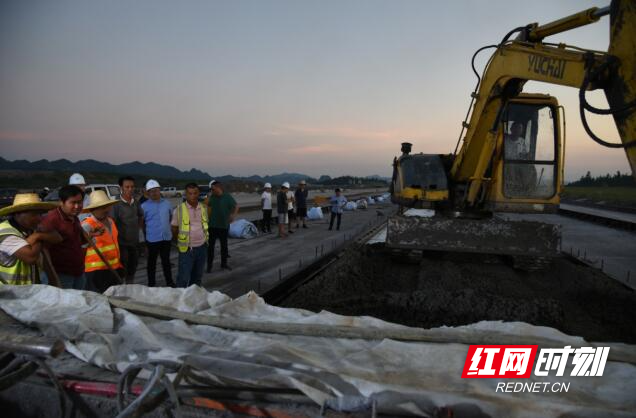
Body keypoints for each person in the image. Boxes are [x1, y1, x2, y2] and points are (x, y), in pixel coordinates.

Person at [0, 194, 61, 285]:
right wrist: (39, 236)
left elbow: (58, 237)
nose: (39, 219)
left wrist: (37, 235)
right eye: (34, 214)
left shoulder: (29, 228)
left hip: (27, 291)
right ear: (17, 214)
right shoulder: (6, 232)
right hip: (10, 293)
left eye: (40, 214)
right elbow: (31, 257)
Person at [40, 185, 88, 289]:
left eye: (79, 202)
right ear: (61, 202)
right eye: (73, 203)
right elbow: (44, 251)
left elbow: (75, 241)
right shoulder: (51, 220)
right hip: (61, 275)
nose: (77, 206)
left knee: (79, 302)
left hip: (78, 272)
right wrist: (52, 278)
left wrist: (90, 234)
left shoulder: (74, 217)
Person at [81, 190, 123, 293]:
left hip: (113, 268)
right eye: (102, 207)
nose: (107, 210)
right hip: (96, 272)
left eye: (107, 206)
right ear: (93, 210)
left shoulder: (111, 221)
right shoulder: (87, 225)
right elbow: (80, 248)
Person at [172, 183, 208, 287]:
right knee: (183, 278)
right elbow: (174, 229)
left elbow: (204, 225)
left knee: (197, 277)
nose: (192, 196)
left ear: (198, 194)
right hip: (186, 249)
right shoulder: (178, 210)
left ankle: (193, 299)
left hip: (202, 247)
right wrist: (180, 242)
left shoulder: (203, 208)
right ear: (185, 194)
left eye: (195, 193)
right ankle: (180, 300)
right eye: (190, 193)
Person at [141, 179, 175, 287]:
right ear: (148, 193)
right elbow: (142, 224)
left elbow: (170, 218)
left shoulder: (167, 203)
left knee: (166, 262)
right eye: (151, 191)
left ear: (159, 190)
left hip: (166, 238)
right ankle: (151, 284)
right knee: (152, 263)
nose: (154, 193)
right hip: (152, 239)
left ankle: (169, 282)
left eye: (156, 190)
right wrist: (144, 240)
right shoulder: (144, 206)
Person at [112, 176, 143, 284]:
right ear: (121, 188)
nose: (130, 189)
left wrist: (138, 228)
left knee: (133, 267)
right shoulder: (115, 204)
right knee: (122, 269)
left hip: (134, 242)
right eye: (127, 187)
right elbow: (111, 222)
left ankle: (130, 288)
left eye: (132, 187)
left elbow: (140, 215)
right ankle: (122, 290)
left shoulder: (136, 202)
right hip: (122, 244)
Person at [206, 180, 238, 272]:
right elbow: (205, 206)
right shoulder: (212, 197)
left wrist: (233, 215)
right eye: (211, 189)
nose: (211, 191)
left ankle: (223, 264)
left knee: (224, 246)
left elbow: (236, 206)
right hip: (212, 226)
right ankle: (209, 266)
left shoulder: (227, 197)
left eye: (213, 189)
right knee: (210, 247)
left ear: (218, 187)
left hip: (223, 226)